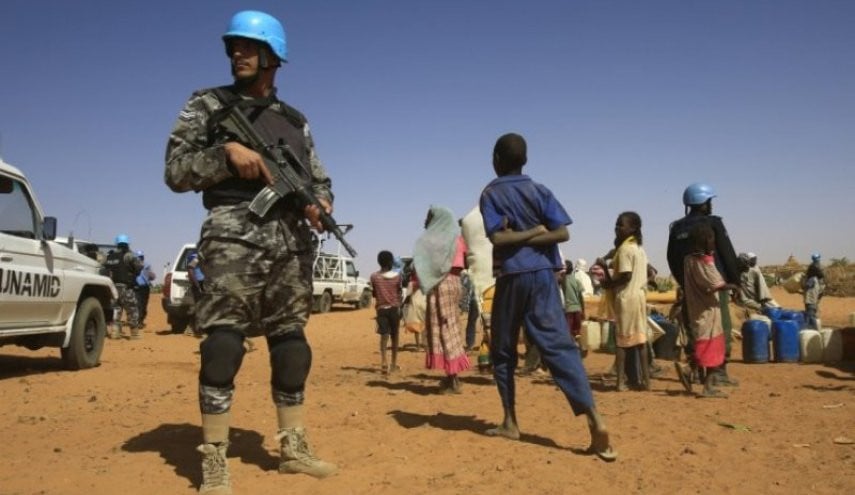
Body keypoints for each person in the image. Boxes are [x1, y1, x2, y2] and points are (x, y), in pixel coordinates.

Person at [164, 10, 337, 493]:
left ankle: (292, 447)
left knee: (292, 345)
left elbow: (319, 179)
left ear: (271, 55)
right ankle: (215, 458)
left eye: (247, 46)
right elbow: (175, 171)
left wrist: (321, 203)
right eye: (233, 46)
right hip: (232, 238)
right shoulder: (207, 104)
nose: (236, 53)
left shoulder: (295, 121)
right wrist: (224, 156)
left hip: (291, 244)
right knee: (223, 344)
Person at [479, 132, 616, 461]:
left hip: (512, 276)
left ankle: (510, 421)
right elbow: (561, 232)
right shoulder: (539, 190)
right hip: (543, 276)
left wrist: (518, 236)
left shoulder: (490, 193)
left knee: (502, 350)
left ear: (496, 160)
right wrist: (535, 232)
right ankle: (595, 418)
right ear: (525, 160)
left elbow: (498, 239)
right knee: (560, 347)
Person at [667, 182, 741, 387]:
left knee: (696, 327)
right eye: (709, 201)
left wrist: (685, 283)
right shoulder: (713, 224)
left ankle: (697, 369)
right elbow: (727, 253)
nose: (711, 205)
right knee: (719, 328)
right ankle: (718, 373)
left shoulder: (677, 228)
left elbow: (671, 259)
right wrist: (735, 282)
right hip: (715, 285)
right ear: (704, 202)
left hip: (690, 287)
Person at [413, 206, 472, 394]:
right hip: (455, 284)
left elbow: (421, 266)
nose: (425, 221)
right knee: (451, 327)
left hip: (440, 285)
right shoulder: (457, 238)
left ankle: (453, 379)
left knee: (443, 329)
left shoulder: (429, 240)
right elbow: (465, 262)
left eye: (428, 217)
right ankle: (451, 376)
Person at [683, 223, 740, 398]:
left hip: (695, 307)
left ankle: (690, 369)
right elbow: (716, 283)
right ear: (705, 241)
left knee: (702, 342)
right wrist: (735, 287)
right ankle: (707, 387)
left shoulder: (688, 259)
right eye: (712, 240)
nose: (714, 243)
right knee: (712, 346)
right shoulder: (705, 262)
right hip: (708, 309)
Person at [598, 212, 650, 392]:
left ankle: (620, 382)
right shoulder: (639, 249)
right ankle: (646, 382)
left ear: (633, 228)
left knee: (622, 341)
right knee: (640, 340)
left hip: (627, 298)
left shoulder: (625, 250)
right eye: (617, 224)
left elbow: (626, 276)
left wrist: (608, 282)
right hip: (640, 297)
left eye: (621, 225)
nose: (617, 228)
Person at [103, 234, 143, 340]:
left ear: (117, 244)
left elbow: (104, 269)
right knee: (132, 309)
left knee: (116, 310)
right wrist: (134, 273)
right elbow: (139, 266)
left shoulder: (109, 256)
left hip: (111, 288)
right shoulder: (129, 255)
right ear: (127, 244)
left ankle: (115, 332)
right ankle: (134, 334)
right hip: (126, 287)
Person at [370, 250, 403, 374]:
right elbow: (399, 292)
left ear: (379, 262)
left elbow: (374, 293)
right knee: (395, 337)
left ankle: (384, 362)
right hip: (394, 309)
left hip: (381, 309)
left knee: (384, 335)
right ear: (391, 262)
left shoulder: (374, 276)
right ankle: (393, 364)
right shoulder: (397, 276)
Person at [561, 260, 586, 356]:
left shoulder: (563, 281)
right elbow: (581, 297)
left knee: (568, 331)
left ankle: (571, 351)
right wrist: (583, 310)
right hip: (577, 309)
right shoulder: (576, 280)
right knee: (577, 331)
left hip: (568, 309)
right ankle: (580, 348)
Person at [803, 252, 826, 329]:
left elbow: (806, 288)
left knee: (810, 314)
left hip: (811, 301)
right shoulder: (817, 274)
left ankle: (813, 328)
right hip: (813, 299)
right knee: (812, 312)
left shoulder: (812, 278)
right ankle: (814, 328)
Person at [133, 250, 156, 328]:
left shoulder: (147, 265)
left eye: (141, 257)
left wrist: (151, 275)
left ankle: (140, 320)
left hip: (144, 288)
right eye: (139, 257)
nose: (140, 258)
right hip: (137, 287)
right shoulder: (133, 266)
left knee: (143, 305)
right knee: (139, 305)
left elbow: (152, 276)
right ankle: (138, 321)